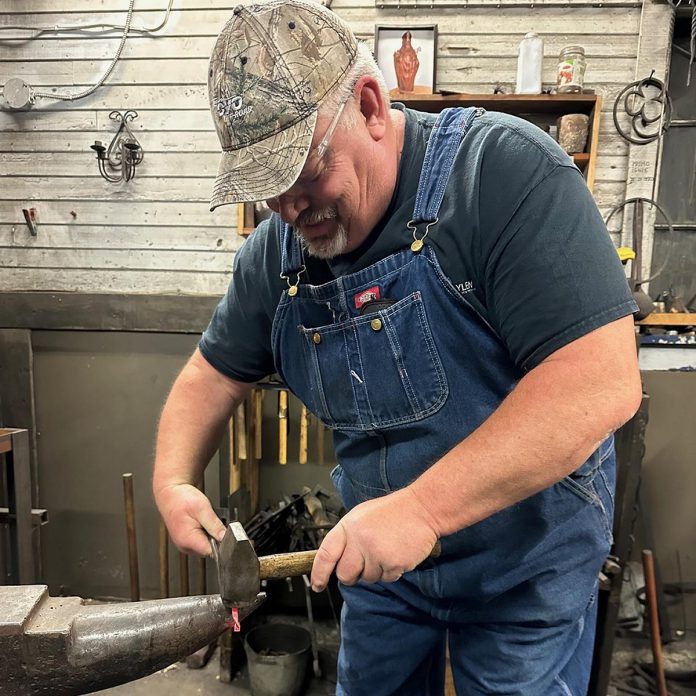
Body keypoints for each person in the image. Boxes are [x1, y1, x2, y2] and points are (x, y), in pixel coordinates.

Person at [153, 1, 642, 693]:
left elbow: (599, 381)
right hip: (382, 570)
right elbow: (210, 375)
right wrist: (173, 481)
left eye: (306, 171)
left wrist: (422, 509)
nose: (292, 208)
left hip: (524, 570)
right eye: (268, 191)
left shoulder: (503, 176)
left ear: (372, 105)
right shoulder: (277, 257)